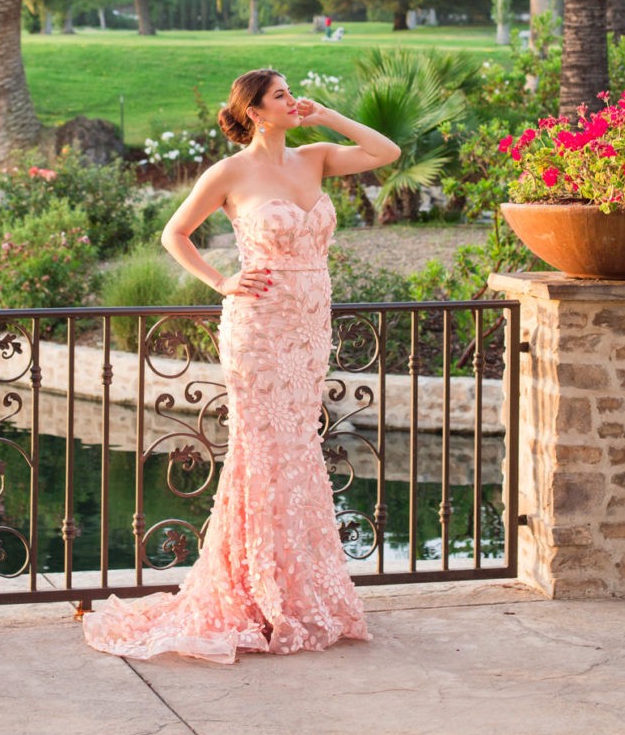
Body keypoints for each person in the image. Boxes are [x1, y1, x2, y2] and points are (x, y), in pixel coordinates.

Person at [80, 67, 401, 664]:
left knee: (299, 447)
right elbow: (175, 234)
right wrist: (222, 281)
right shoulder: (229, 172)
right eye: (280, 95)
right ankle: (253, 594)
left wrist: (326, 115)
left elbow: (387, 150)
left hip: (309, 327)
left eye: (288, 93)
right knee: (262, 450)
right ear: (255, 110)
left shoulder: (317, 157)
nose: (290, 99)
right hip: (258, 326)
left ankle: (297, 592)